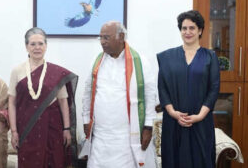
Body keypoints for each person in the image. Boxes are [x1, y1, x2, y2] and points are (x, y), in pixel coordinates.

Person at [82, 21, 157, 168]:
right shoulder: (97, 61)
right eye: (100, 38)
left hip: (127, 138)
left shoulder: (140, 62)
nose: (102, 42)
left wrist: (148, 127)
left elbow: (150, 96)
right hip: (100, 137)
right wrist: (85, 119)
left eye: (106, 38)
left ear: (121, 36)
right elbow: (87, 92)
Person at [157, 10, 220, 168]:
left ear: (200, 30)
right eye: (184, 28)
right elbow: (162, 87)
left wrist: (200, 115)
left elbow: (213, 88)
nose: (187, 32)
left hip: (200, 123)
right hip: (174, 123)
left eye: (192, 28)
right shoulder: (167, 57)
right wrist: (172, 112)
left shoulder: (210, 57)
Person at [8, 27, 78, 168]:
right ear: (26, 47)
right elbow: (12, 103)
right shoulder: (17, 70)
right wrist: (14, 131)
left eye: (40, 43)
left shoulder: (56, 72)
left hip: (52, 127)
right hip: (26, 127)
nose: (37, 48)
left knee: (54, 161)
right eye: (32, 44)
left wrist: (66, 129)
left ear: (46, 46)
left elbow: (63, 102)